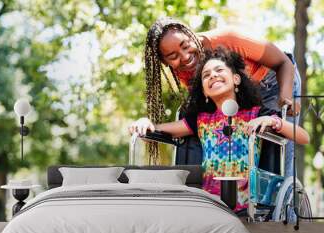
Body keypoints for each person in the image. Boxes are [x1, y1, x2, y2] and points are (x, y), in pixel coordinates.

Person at [130, 48, 309, 211]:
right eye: (206, 75)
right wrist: (146, 123)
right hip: (210, 204)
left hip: (247, 204)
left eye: (219, 70)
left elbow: (303, 137)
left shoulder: (257, 114)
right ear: (204, 91)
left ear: (236, 79)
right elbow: (163, 130)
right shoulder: (201, 120)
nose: (213, 76)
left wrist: (272, 121)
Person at [144, 17, 301, 177]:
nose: (184, 56)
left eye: (185, 46)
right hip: (240, 96)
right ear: (164, 62)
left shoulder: (229, 38)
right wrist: (152, 127)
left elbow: (283, 62)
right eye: (172, 56)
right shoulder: (184, 70)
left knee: (276, 152)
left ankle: (287, 196)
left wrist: (286, 98)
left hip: (274, 82)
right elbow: (204, 113)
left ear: (191, 35)